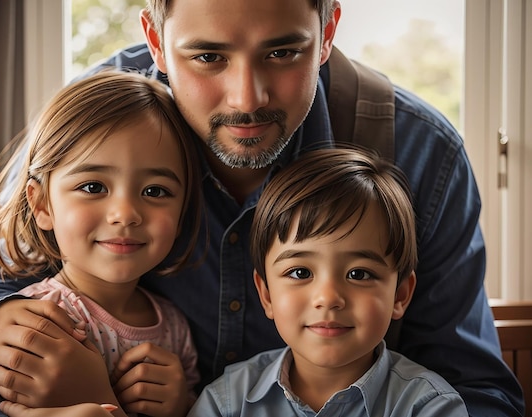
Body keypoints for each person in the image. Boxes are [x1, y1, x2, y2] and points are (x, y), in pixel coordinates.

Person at [0, 1, 524, 416]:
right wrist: (1, 330)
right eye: (207, 57)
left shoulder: (420, 154)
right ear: (154, 38)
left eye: (283, 53)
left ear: (329, 30)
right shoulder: (99, 123)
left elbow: (479, 393)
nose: (246, 97)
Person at [0, 70, 204, 417]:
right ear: (41, 205)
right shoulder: (36, 322)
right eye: (93, 187)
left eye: (155, 191)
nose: (125, 214)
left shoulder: (175, 326)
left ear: (182, 211)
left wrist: (182, 404)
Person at [188, 147, 468, 416]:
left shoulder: (429, 407)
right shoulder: (225, 404)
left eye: (359, 274)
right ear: (267, 294)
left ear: (400, 295)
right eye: (300, 273)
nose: (328, 297)